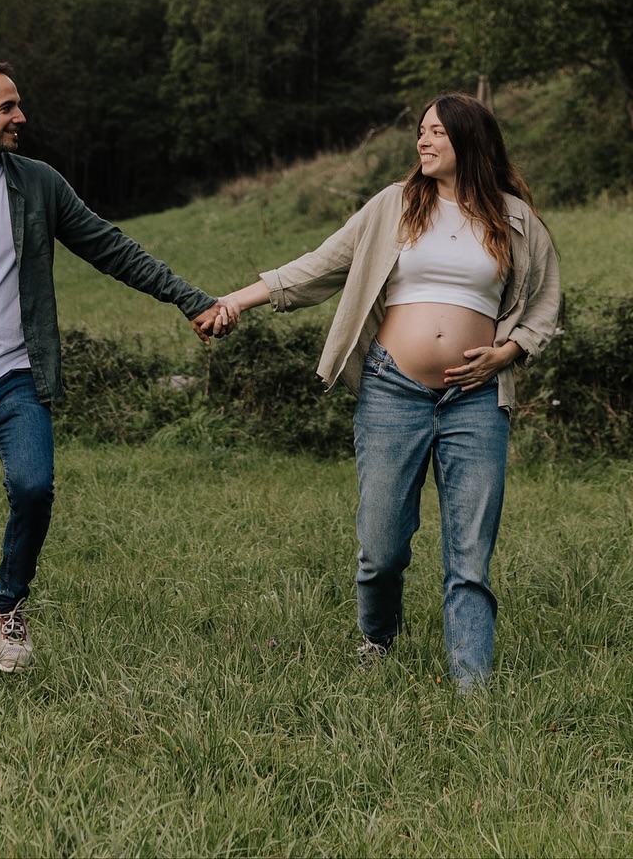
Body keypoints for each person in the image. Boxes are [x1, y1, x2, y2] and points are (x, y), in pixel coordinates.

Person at [0, 61, 218, 679]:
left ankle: (9, 601)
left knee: (33, 485)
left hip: (14, 380)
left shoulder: (40, 185)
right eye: (7, 107)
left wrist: (191, 298)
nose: (21, 117)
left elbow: (112, 248)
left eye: (18, 106)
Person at [202, 94, 560, 689]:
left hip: (476, 399)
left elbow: (543, 308)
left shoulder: (516, 219)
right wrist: (235, 301)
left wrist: (508, 351)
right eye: (420, 132)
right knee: (382, 547)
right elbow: (316, 268)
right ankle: (378, 636)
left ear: (470, 141)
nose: (423, 142)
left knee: (470, 553)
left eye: (437, 132)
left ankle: (472, 687)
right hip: (394, 391)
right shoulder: (394, 207)